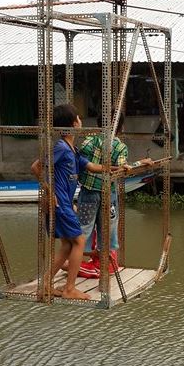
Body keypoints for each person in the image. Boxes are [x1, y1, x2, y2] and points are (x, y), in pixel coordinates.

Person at [31, 103, 116, 301]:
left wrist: (118, 168)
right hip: (59, 204)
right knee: (79, 241)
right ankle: (70, 289)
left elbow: (92, 166)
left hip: (65, 204)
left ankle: (45, 285)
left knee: (68, 246)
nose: (81, 121)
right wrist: (49, 191)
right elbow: (36, 167)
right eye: (78, 118)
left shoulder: (73, 150)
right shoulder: (61, 147)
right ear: (72, 124)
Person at [76, 112, 153, 278]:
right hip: (108, 194)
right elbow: (122, 171)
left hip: (88, 192)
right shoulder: (119, 147)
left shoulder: (88, 141)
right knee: (108, 228)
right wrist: (140, 163)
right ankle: (105, 263)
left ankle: (76, 259)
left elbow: (80, 164)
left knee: (83, 228)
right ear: (121, 127)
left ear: (98, 125)